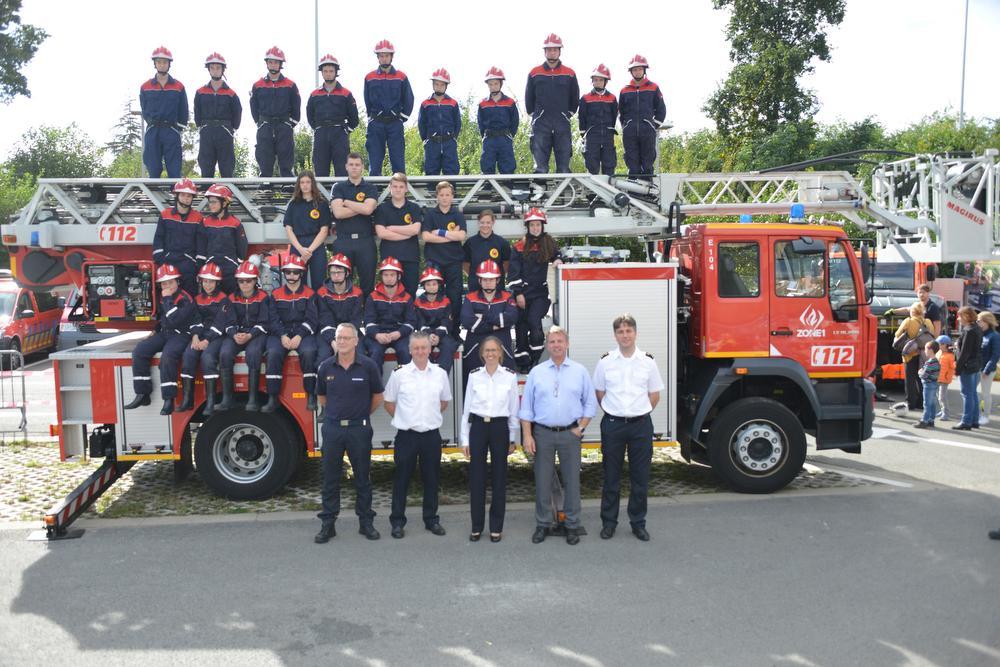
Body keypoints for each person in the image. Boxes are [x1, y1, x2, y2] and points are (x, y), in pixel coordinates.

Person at [520, 326, 596, 545]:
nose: (556, 345)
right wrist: (527, 435)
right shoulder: (537, 372)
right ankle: (543, 524)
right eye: (552, 342)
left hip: (570, 434)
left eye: (560, 341)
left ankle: (571, 525)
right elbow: (526, 408)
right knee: (542, 481)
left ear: (567, 344)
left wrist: (580, 428)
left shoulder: (579, 371)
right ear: (546, 346)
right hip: (542, 433)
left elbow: (590, 404)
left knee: (572, 482)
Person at [592, 314, 664, 541]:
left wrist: (638, 412)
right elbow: (599, 393)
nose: (625, 335)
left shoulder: (648, 361)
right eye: (620, 332)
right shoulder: (605, 362)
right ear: (615, 335)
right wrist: (616, 412)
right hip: (613, 425)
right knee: (611, 477)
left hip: (640, 425)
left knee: (640, 478)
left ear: (635, 333)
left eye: (628, 331)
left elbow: (654, 395)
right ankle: (609, 523)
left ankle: (638, 523)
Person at [314, 323, 384, 543]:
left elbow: (377, 396)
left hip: (359, 429)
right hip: (333, 428)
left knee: (363, 478)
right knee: (330, 479)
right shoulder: (325, 367)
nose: (342, 341)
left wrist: (360, 415)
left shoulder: (368, 366)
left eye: (346, 338)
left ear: (356, 341)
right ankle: (328, 525)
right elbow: (322, 397)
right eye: (339, 338)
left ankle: (366, 523)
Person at [383, 331, 452, 539]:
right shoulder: (399, 374)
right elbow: (388, 402)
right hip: (406, 436)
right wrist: (405, 418)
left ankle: (431, 520)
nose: (420, 351)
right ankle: (397, 522)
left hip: (431, 435)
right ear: (410, 350)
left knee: (431, 480)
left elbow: (444, 402)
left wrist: (427, 417)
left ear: (430, 350)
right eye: (416, 348)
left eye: (424, 348)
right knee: (401, 480)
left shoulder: (440, 373)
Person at [460, 336, 519, 542]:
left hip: (499, 428)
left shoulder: (509, 377)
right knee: (477, 478)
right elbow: (466, 410)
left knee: (499, 478)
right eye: (487, 351)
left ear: (501, 353)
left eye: (494, 350)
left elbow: (513, 410)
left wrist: (512, 438)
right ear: (482, 354)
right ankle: (476, 526)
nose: (491, 354)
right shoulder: (474, 375)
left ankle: (496, 527)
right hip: (478, 427)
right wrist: (464, 439)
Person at [123, 265, 197, 416]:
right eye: (164, 283)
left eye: (170, 282)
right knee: (140, 351)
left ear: (177, 281)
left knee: (168, 357)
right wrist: (156, 330)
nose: (167, 286)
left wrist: (168, 298)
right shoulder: (163, 297)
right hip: (165, 332)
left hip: (181, 334)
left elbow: (175, 319)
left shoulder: (185, 298)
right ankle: (143, 394)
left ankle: (169, 399)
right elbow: (164, 318)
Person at [508, 207, 563, 373]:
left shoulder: (549, 243)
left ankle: (535, 358)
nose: (535, 228)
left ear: (542, 225)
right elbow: (513, 273)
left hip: (540, 294)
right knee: (521, 328)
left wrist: (559, 259)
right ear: (527, 226)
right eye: (532, 225)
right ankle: (523, 363)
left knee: (534, 322)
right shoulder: (519, 246)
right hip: (522, 295)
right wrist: (518, 294)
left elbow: (558, 254)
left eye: (538, 225)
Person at [265, 254, 319, 413]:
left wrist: (299, 335)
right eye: (288, 272)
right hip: (281, 333)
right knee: (273, 354)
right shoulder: (275, 294)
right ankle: (273, 397)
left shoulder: (310, 294)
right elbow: (272, 320)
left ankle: (311, 394)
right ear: (284, 273)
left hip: (303, 333)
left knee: (309, 353)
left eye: (295, 272)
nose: (291, 275)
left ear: (301, 273)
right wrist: (282, 335)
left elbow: (312, 320)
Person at [217, 261, 271, 412]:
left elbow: (264, 323)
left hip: (256, 333)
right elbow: (228, 322)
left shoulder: (263, 297)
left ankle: (252, 399)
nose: (245, 284)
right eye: (241, 280)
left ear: (255, 280)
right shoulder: (231, 298)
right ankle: (228, 399)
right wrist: (235, 334)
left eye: (249, 280)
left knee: (253, 354)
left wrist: (250, 335)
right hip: (237, 334)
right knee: (225, 353)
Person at [178, 262, 230, 416]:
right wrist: (194, 337)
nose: (208, 285)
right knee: (188, 355)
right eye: (205, 281)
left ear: (217, 282)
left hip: (216, 336)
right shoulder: (197, 299)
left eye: (211, 281)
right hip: (199, 336)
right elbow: (194, 319)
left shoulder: (224, 299)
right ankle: (188, 399)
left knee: (207, 358)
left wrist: (206, 340)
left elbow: (220, 323)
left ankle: (211, 402)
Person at [525, 33, 579, 173]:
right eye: (549, 49)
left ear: (559, 51)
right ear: (545, 51)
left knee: (563, 163)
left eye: (555, 49)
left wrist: (569, 113)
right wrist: (535, 114)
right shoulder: (534, 73)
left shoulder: (570, 73)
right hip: (541, 122)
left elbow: (575, 97)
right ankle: (539, 193)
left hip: (562, 121)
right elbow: (529, 97)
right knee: (540, 165)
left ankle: (564, 193)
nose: (552, 52)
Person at [460, 259, 518, 388]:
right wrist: (495, 325)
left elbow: (512, 317)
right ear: (479, 280)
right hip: (474, 347)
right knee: (472, 385)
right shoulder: (470, 297)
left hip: (502, 346)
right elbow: (466, 320)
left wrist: (482, 317)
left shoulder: (507, 297)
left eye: (491, 279)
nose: (488, 283)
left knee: (505, 385)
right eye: (485, 279)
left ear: (497, 280)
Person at [330, 153, 379, 295]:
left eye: (357, 165)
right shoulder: (338, 187)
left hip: (366, 241)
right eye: (351, 164)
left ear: (362, 167)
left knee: (368, 283)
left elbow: (369, 209)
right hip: (343, 240)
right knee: (341, 283)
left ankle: (368, 316)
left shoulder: (370, 188)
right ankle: (346, 315)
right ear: (346, 167)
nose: (354, 167)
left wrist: (346, 202)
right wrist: (362, 207)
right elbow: (338, 213)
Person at [364, 40, 414, 176]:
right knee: (375, 163)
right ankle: (375, 194)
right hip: (376, 124)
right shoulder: (369, 77)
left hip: (395, 124)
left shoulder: (401, 77)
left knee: (398, 163)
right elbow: (367, 100)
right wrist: (372, 118)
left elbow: (409, 99)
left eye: (386, 55)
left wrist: (401, 118)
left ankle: (400, 195)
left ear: (391, 56)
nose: (383, 58)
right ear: (377, 57)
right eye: (381, 55)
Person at [249, 46, 301, 177]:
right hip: (265, 125)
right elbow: (253, 106)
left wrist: (290, 123)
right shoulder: (257, 85)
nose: (273, 64)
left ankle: (287, 183)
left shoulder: (290, 85)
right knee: (264, 154)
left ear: (281, 64)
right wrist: (260, 122)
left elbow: (296, 106)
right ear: (266, 63)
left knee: (286, 153)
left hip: (284, 125)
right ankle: (266, 183)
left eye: (276, 62)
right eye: (270, 62)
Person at [421, 181, 467, 325]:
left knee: (455, 297)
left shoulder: (457, 214)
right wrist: (450, 236)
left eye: (447, 195)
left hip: (453, 262)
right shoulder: (430, 215)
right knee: (434, 297)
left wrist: (440, 232)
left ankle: (454, 332)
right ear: (437, 197)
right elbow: (426, 237)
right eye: (442, 195)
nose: (445, 198)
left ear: (452, 196)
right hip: (434, 262)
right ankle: (433, 328)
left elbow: (461, 236)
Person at [307, 54, 359, 178]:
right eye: (325, 71)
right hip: (321, 134)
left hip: (339, 133)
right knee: (320, 167)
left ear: (336, 72)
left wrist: (346, 130)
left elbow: (354, 117)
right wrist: (319, 128)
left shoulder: (346, 93)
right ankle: (320, 197)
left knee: (342, 168)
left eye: (331, 71)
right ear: (322, 73)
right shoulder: (314, 94)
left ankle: (341, 196)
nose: (328, 73)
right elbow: (309, 116)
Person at [139, 46, 188, 178]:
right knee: (153, 168)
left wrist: (177, 128)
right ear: (154, 63)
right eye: (159, 62)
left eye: (165, 62)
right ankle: (153, 197)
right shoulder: (145, 87)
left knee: (174, 169)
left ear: (169, 64)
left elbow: (184, 111)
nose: (162, 64)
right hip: (153, 130)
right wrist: (151, 122)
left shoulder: (178, 86)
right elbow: (144, 109)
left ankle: (176, 197)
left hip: (171, 130)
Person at [364, 256, 417, 375]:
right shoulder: (372, 296)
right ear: (381, 276)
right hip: (378, 334)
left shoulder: (407, 297)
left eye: (392, 275)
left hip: (400, 335)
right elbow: (368, 320)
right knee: (375, 352)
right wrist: (377, 335)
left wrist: (399, 333)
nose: (389, 278)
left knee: (405, 352)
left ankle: (406, 388)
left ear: (398, 276)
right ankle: (376, 391)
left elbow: (411, 322)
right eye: (386, 275)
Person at [374, 172, 423, 296]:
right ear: (390, 188)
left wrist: (391, 228)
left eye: (401, 187)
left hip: (410, 257)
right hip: (389, 258)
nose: (398, 189)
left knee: (410, 293)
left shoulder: (414, 208)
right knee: (390, 294)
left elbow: (415, 230)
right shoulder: (382, 209)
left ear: (406, 189)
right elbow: (381, 233)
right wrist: (407, 233)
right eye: (395, 186)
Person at [194, 52, 242, 178]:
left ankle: (227, 194)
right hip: (206, 132)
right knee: (206, 165)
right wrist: (202, 126)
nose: (215, 71)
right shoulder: (200, 92)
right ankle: (206, 192)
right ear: (209, 70)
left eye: (218, 68)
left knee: (227, 166)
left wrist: (231, 128)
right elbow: (197, 112)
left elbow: (237, 112)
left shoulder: (231, 94)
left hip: (225, 132)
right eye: (212, 68)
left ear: (223, 69)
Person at [618, 54, 666, 179]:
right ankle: (633, 193)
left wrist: (652, 125)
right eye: (635, 69)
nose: (637, 72)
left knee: (647, 163)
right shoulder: (624, 90)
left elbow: (661, 109)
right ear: (631, 72)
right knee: (632, 164)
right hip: (630, 132)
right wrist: (626, 126)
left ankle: (648, 194)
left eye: (640, 69)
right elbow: (621, 112)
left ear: (644, 70)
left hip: (647, 131)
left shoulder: (653, 87)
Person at [153, 178, 203, 296]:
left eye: (189, 196)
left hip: (189, 266)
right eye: (183, 195)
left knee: (190, 299)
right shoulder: (165, 215)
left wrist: (197, 265)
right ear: (176, 196)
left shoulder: (198, 218)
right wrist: (161, 262)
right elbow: (158, 239)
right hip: (168, 264)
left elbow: (201, 244)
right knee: (167, 298)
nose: (186, 198)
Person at [315, 254, 365, 367]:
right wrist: (333, 342)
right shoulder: (322, 293)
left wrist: (345, 340)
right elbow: (325, 320)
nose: (336, 275)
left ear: (347, 273)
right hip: (327, 334)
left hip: (351, 332)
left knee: (361, 355)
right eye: (333, 272)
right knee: (323, 357)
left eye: (339, 272)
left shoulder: (357, 293)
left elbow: (356, 319)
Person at [197, 184, 248, 295]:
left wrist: (237, 265)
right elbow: (201, 248)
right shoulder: (205, 223)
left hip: (230, 271)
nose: (211, 205)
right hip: (210, 271)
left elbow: (242, 247)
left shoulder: (235, 223)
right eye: (210, 202)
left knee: (231, 300)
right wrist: (201, 268)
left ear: (224, 203)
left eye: (214, 202)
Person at [284, 170, 331, 290]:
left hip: (316, 246)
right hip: (297, 245)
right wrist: (300, 249)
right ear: (298, 185)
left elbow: (324, 230)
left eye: (308, 182)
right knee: (297, 283)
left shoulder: (322, 205)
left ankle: (319, 308)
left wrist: (308, 251)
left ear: (313, 184)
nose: (305, 185)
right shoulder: (293, 205)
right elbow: (289, 229)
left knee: (319, 284)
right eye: (302, 182)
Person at [413, 267, 458, 373]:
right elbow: (420, 322)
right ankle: (425, 376)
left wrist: (437, 335)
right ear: (424, 286)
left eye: (434, 284)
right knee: (421, 349)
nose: (431, 287)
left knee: (449, 346)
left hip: (442, 335)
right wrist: (429, 335)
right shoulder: (418, 302)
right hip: (424, 335)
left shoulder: (445, 301)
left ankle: (441, 376)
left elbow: (446, 321)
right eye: (428, 284)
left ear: (439, 285)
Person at [418, 68, 461, 176]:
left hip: (449, 142)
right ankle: (432, 192)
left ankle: (452, 192)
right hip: (432, 143)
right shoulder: (425, 104)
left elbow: (457, 123)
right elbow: (421, 123)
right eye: (436, 84)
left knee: (452, 170)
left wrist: (453, 138)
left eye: (442, 85)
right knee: (431, 170)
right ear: (433, 85)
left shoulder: (453, 103)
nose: (439, 87)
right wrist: (426, 139)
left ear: (446, 86)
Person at [477, 67, 519, 174]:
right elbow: (480, 123)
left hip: (505, 138)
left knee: (507, 165)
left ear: (501, 84)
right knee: (487, 164)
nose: (493, 86)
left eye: (495, 83)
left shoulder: (510, 102)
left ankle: (507, 186)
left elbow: (515, 122)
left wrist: (509, 134)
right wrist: (486, 136)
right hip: (489, 139)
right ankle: (487, 187)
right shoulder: (482, 103)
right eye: (490, 84)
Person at [893, 302, 933, 412]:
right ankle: (921, 402)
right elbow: (932, 335)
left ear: (912, 312)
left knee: (910, 380)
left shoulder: (908, 321)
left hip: (910, 354)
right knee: (921, 378)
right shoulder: (928, 322)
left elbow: (897, 334)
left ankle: (911, 403)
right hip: (924, 355)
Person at [578, 64, 618, 175]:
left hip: (608, 136)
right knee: (592, 165)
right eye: (595, 80)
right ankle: (592, 192)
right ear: (592, 81)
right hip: (591, 136)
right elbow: (582, 117)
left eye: (600, 80)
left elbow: (614, 116)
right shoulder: (585, 98)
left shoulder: (612, 98)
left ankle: (608, 191)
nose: (598, 82)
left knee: (609, 165)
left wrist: (609, 129)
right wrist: (584, 134)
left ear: (605, 81)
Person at [463, 210, 512, 294]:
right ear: (478, 223)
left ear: (493, 223)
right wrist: (477, 276)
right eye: (482, 222)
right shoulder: (470, 243)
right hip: (475, 286)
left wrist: (495, 277)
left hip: (497, 287)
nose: (485, 225)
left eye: (488, 222)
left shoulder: (502, 243)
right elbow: (465, 264)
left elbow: (507, 264)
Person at [952, 306, 983, 431]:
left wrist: (957, 369)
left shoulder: (969, 330)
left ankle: (966, 421)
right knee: (973, 394)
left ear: (966, 316)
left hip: (968, 366)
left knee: (967, 394)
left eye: (960, 316)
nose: (958, 319)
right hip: (976, 365)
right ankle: (974, 420)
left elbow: (965, 352)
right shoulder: (977, 328)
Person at [978, 311, 1000, 425]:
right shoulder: (982, 334)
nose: (978, 323)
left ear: (986, 321)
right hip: (977, 368)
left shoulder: (995, 336)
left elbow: (995, 355)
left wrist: (986, 370)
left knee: (985, 393)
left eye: (979, 321)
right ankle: (976, 415)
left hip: (988, 370)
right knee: (973, 392)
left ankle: (985, 416)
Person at [915, 340, 941, 429]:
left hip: (928, 385)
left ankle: (924, 420)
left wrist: (920, 372)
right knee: (932, 403)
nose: (925, 351)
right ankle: (931, 420)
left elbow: (924, 375)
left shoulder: (930, 362)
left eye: (925, 349)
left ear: (930, 350)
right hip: (933, 384)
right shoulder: (935, 361)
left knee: (926, 403)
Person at [935, 335, 956, 422]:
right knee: (938, 395)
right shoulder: (939, 353)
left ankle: (946, 413)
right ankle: (942, 410)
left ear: (946, 345)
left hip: (944, 379)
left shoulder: (950, 356)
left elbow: (953, 366)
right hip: (937, 378)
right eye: (938, 344)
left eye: (941, 344)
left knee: (942, 397)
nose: (939, 346)